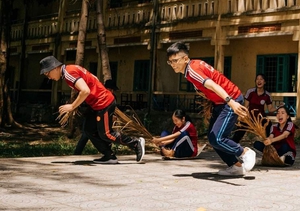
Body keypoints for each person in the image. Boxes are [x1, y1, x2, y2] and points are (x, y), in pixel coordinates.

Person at [166, 42, 255, 176]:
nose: (173, 64)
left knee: (218, 138)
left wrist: (231, 102)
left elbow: (213, 85)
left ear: (185, 59)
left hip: (230, 99)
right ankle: (235, 166)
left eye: (175, 60)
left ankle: (245, 152)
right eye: (170, 61)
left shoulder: (192, 70)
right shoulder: (193, 66)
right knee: (213, 137)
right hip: (220, 102)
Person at [40, 56, 145, 164]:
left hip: (104, 103)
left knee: (106, 134)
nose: (49, 77)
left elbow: (85, 91)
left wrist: (72, 106)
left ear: (55, 68)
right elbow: (93, 77)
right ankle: (109, 156)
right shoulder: (71, 68)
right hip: (96, 104)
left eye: (48, 74)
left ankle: (135, 143)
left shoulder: (68, 73)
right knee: (89, 130)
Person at [73, 79, 119, 156]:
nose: (112, 91)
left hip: (103, 119)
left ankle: (108, 153)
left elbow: (113, 109)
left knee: (105, 135)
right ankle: (76, 154)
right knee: (85, 135)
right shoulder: (99, 94)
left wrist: (113, 116)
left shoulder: (112, 97)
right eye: (110, 89)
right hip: (91, 117)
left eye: (113, 90)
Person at [232, 74, 274, 144]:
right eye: (257, 79)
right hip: (249, 117)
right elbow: (246, 107)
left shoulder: (267, 95)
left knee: (269, 125)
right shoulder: (250, 92)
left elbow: (270, 109)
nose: (259, 81)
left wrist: (279, 107)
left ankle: (271, 144)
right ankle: (233, 146)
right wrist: (242, 116)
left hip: (260, 118)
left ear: (265, 82)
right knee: (239, 133)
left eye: (261, 79)